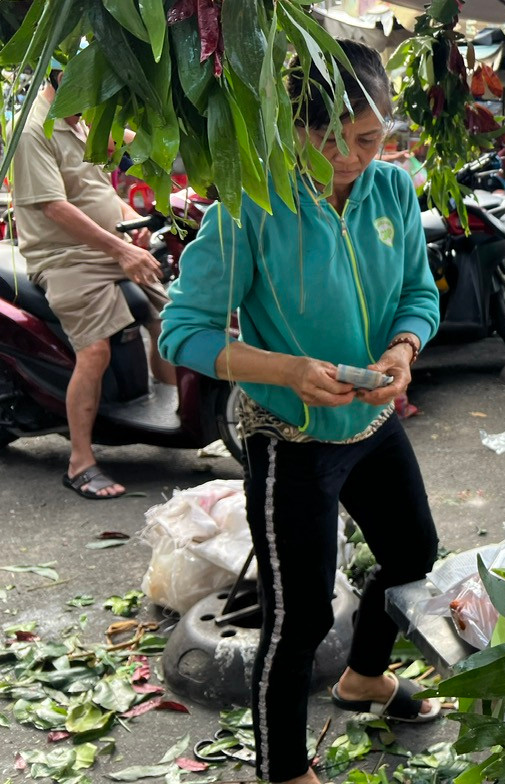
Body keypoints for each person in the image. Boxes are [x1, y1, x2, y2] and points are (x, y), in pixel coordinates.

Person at [159, 41, 441, 784]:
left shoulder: (393, 192)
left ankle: (363, 677)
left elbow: (419, 292)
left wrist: (405, 350)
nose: (348, 159)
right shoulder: (250, 206)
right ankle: (283, 770)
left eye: (367, 139)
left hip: (374, 421)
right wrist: (285, 370)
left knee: (413, 554)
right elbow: (182, 331)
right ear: (290, 128)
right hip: (291, 438)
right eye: (325, 140)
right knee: (301, 615)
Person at [10, 62, 175, 500]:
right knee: (95, 348)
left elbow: (100, 193)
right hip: (65, 258)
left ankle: (176, 414)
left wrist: (132, 225)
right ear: (59, 77)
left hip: (108, 247)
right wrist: (120, 249)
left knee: (173, 318)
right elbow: (53, 207)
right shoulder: (33, 132)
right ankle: (80, 461)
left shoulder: (81, 122)